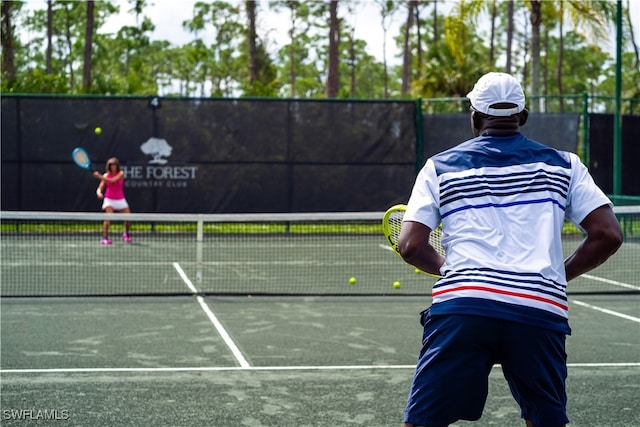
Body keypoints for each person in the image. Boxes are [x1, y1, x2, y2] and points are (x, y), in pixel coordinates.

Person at [397, 72, 623, 427]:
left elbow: (409, 245)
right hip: (538, 309)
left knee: (423, 422)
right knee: (546, 420)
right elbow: (608, 235)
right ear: (523, 116)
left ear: (474, 116)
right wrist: (556, 274)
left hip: (464, 307)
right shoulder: (565, 165)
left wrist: (451, 270)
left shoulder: (439, 167)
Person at [93, 157, 132, 245]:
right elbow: (100, 187)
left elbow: (113, 180)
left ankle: (126, 233)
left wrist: (99, 176)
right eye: (111, 165)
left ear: (117, 166)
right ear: (109, 166)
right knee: (108, 219)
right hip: (109, 199)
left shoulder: (121, 173)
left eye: (114, 165)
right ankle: (104, 238)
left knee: (129, 218)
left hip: (120, 199)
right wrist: (98, 193)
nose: (113, 167)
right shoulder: (106, 175)